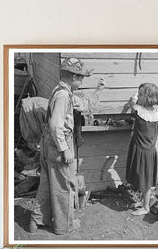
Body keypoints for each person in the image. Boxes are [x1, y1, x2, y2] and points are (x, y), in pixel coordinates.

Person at [29, 57, 104, 234]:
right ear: (72, 77)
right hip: (58, 143)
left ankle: (36, 220)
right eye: (81, 78)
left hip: (48, 142)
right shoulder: (64, 96)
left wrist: (98, 91)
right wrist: (64, 149)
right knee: (64, 187)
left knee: (47, 184)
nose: (82, 80)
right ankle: (63, 226)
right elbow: (56, 125)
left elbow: (83, 105)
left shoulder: (61, 90)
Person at [124, 83, 158, 216]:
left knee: (145, 180)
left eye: (140, 94)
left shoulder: (139, 111)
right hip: (150, 150)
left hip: (141, 150)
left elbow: (133, 109)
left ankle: (146, 207)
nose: (138, 96)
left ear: (147, 98)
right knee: (143, 176)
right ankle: (143, 201)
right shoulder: (157, 113)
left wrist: (133, 101)